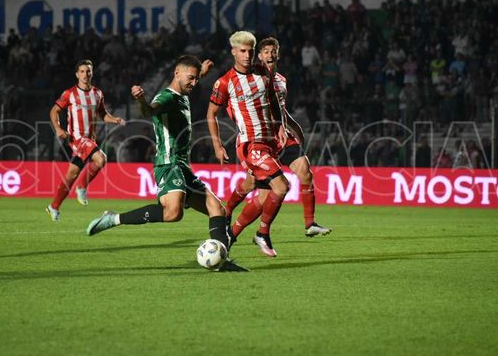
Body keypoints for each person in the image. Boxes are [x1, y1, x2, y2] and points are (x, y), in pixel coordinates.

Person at [86, 55, 246, 271]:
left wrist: (200, 72)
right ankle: (113, 219)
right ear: (176, 73)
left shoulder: (183, 90)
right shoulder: (167, 97)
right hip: (168, 164)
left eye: (197, 79)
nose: (195, 83)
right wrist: (141, 100)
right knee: (173, 213)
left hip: (182, 165)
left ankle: (221, 261)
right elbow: (149, 111)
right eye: (191, 78)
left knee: (217, 208)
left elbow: (189, 77)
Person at [223, 37, 332, 242]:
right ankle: (227, 214)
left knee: (305, 172)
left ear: (278, 54)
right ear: (259, 55)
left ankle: (309, 224)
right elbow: (235, 105)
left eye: (273, 51)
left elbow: (281, 111)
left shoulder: (281, 81)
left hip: (281, 138)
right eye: (265, 51)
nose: (270, 55)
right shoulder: (250, 79)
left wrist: (295, 130)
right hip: (258, 139)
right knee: (251, 186)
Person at [206, 31, 289, 258]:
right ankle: (262, 232)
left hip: (269, 141)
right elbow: (211, 113)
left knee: (262, 198)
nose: (247, 55)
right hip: (250, 145)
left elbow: (273, 100)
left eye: (250, 51)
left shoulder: (263, 73)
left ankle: (229, 237)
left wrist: (280, 125)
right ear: (233, 51)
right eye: (242, 51)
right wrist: (217, 145)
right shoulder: (225, 82)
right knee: (281, 187)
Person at [46, 59, 125, 221]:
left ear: (92, 73)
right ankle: (82, 187)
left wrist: (114, 120)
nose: (85, 74)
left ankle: (53, 206)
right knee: (101, 158)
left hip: (90, 140)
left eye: (88, 71)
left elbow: (102, 114)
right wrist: (59, 129)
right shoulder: (69, 94)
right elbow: (54, 111)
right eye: (82, 71)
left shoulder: (98, 93)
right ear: (77, 74)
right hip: (77, 138)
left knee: (72, 174)